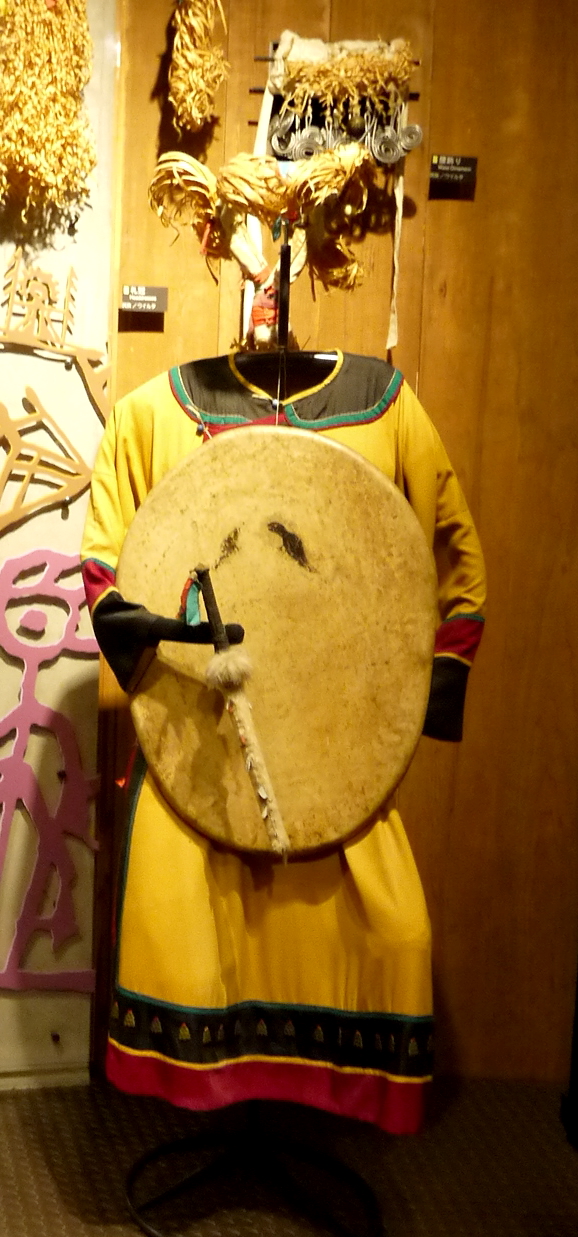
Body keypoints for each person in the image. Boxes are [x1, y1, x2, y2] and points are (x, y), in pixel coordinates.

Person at [81, 346, 486, 1136]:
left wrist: (404, 707)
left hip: (336, 773)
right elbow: (104, 572)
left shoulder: (387, 406)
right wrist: (154, 643)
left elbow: (457, 561)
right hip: (197, 761)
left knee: (393, 936)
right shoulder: (147, 416)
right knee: (190, 940)